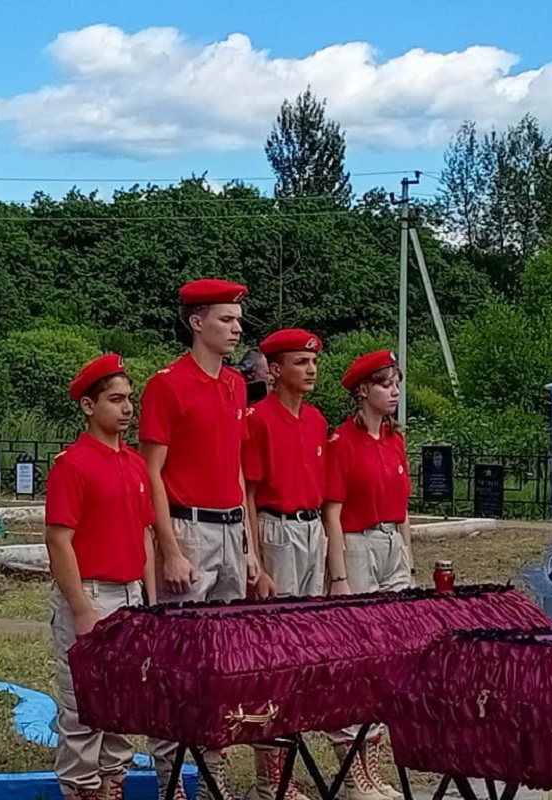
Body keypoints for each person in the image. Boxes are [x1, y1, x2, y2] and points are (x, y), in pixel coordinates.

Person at [140, 278, 264, 800]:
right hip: (188, 527)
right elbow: (153, 472)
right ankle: (173, 779)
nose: (236, 329)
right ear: (197, 322)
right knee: (177, 658)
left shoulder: (236, 386)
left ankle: (214, 776)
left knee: (221, 661)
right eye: (225, 320)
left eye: (237, 321)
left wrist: (251, 546)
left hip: (230, 528)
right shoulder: (167, 384)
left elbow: (237, 470)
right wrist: (169, 548)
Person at [46, 354, 158, 800]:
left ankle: (113, 786)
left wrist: (150, 600)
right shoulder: (72, 464)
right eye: (116, 399)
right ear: (89, 406)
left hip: (131, 596)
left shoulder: (133, 463)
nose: (127, 408)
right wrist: (81, 608)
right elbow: (59, 541)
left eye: (130, 399)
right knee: (83, 706)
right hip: (92, 593)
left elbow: (145, 533)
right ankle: (80, 790)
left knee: (123, 704)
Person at [322, 350, 414, 800]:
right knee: (359, 653)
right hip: (357, 545)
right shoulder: (342, 442)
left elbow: (403, 511)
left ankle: (373, 764)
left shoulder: (395, 441)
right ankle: (352, 765)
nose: (394, 391)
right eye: (385, 384)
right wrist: (338, 576)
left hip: (390, 544)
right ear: (363, 391)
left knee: (389, 655)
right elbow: (333, 513)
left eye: (396, 383)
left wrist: (407, 560)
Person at [242, 329, 327, 800]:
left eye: (313, 362)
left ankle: (289, 761)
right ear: (275, 370)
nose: (310, 370)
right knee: (273, 649)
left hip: (312, 528)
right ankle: (269, 774)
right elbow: (250, 495)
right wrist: (255, 558)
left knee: (302, 651)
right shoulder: (258, 419)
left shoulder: (316, 422)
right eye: (299, 362)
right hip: (276, 527)